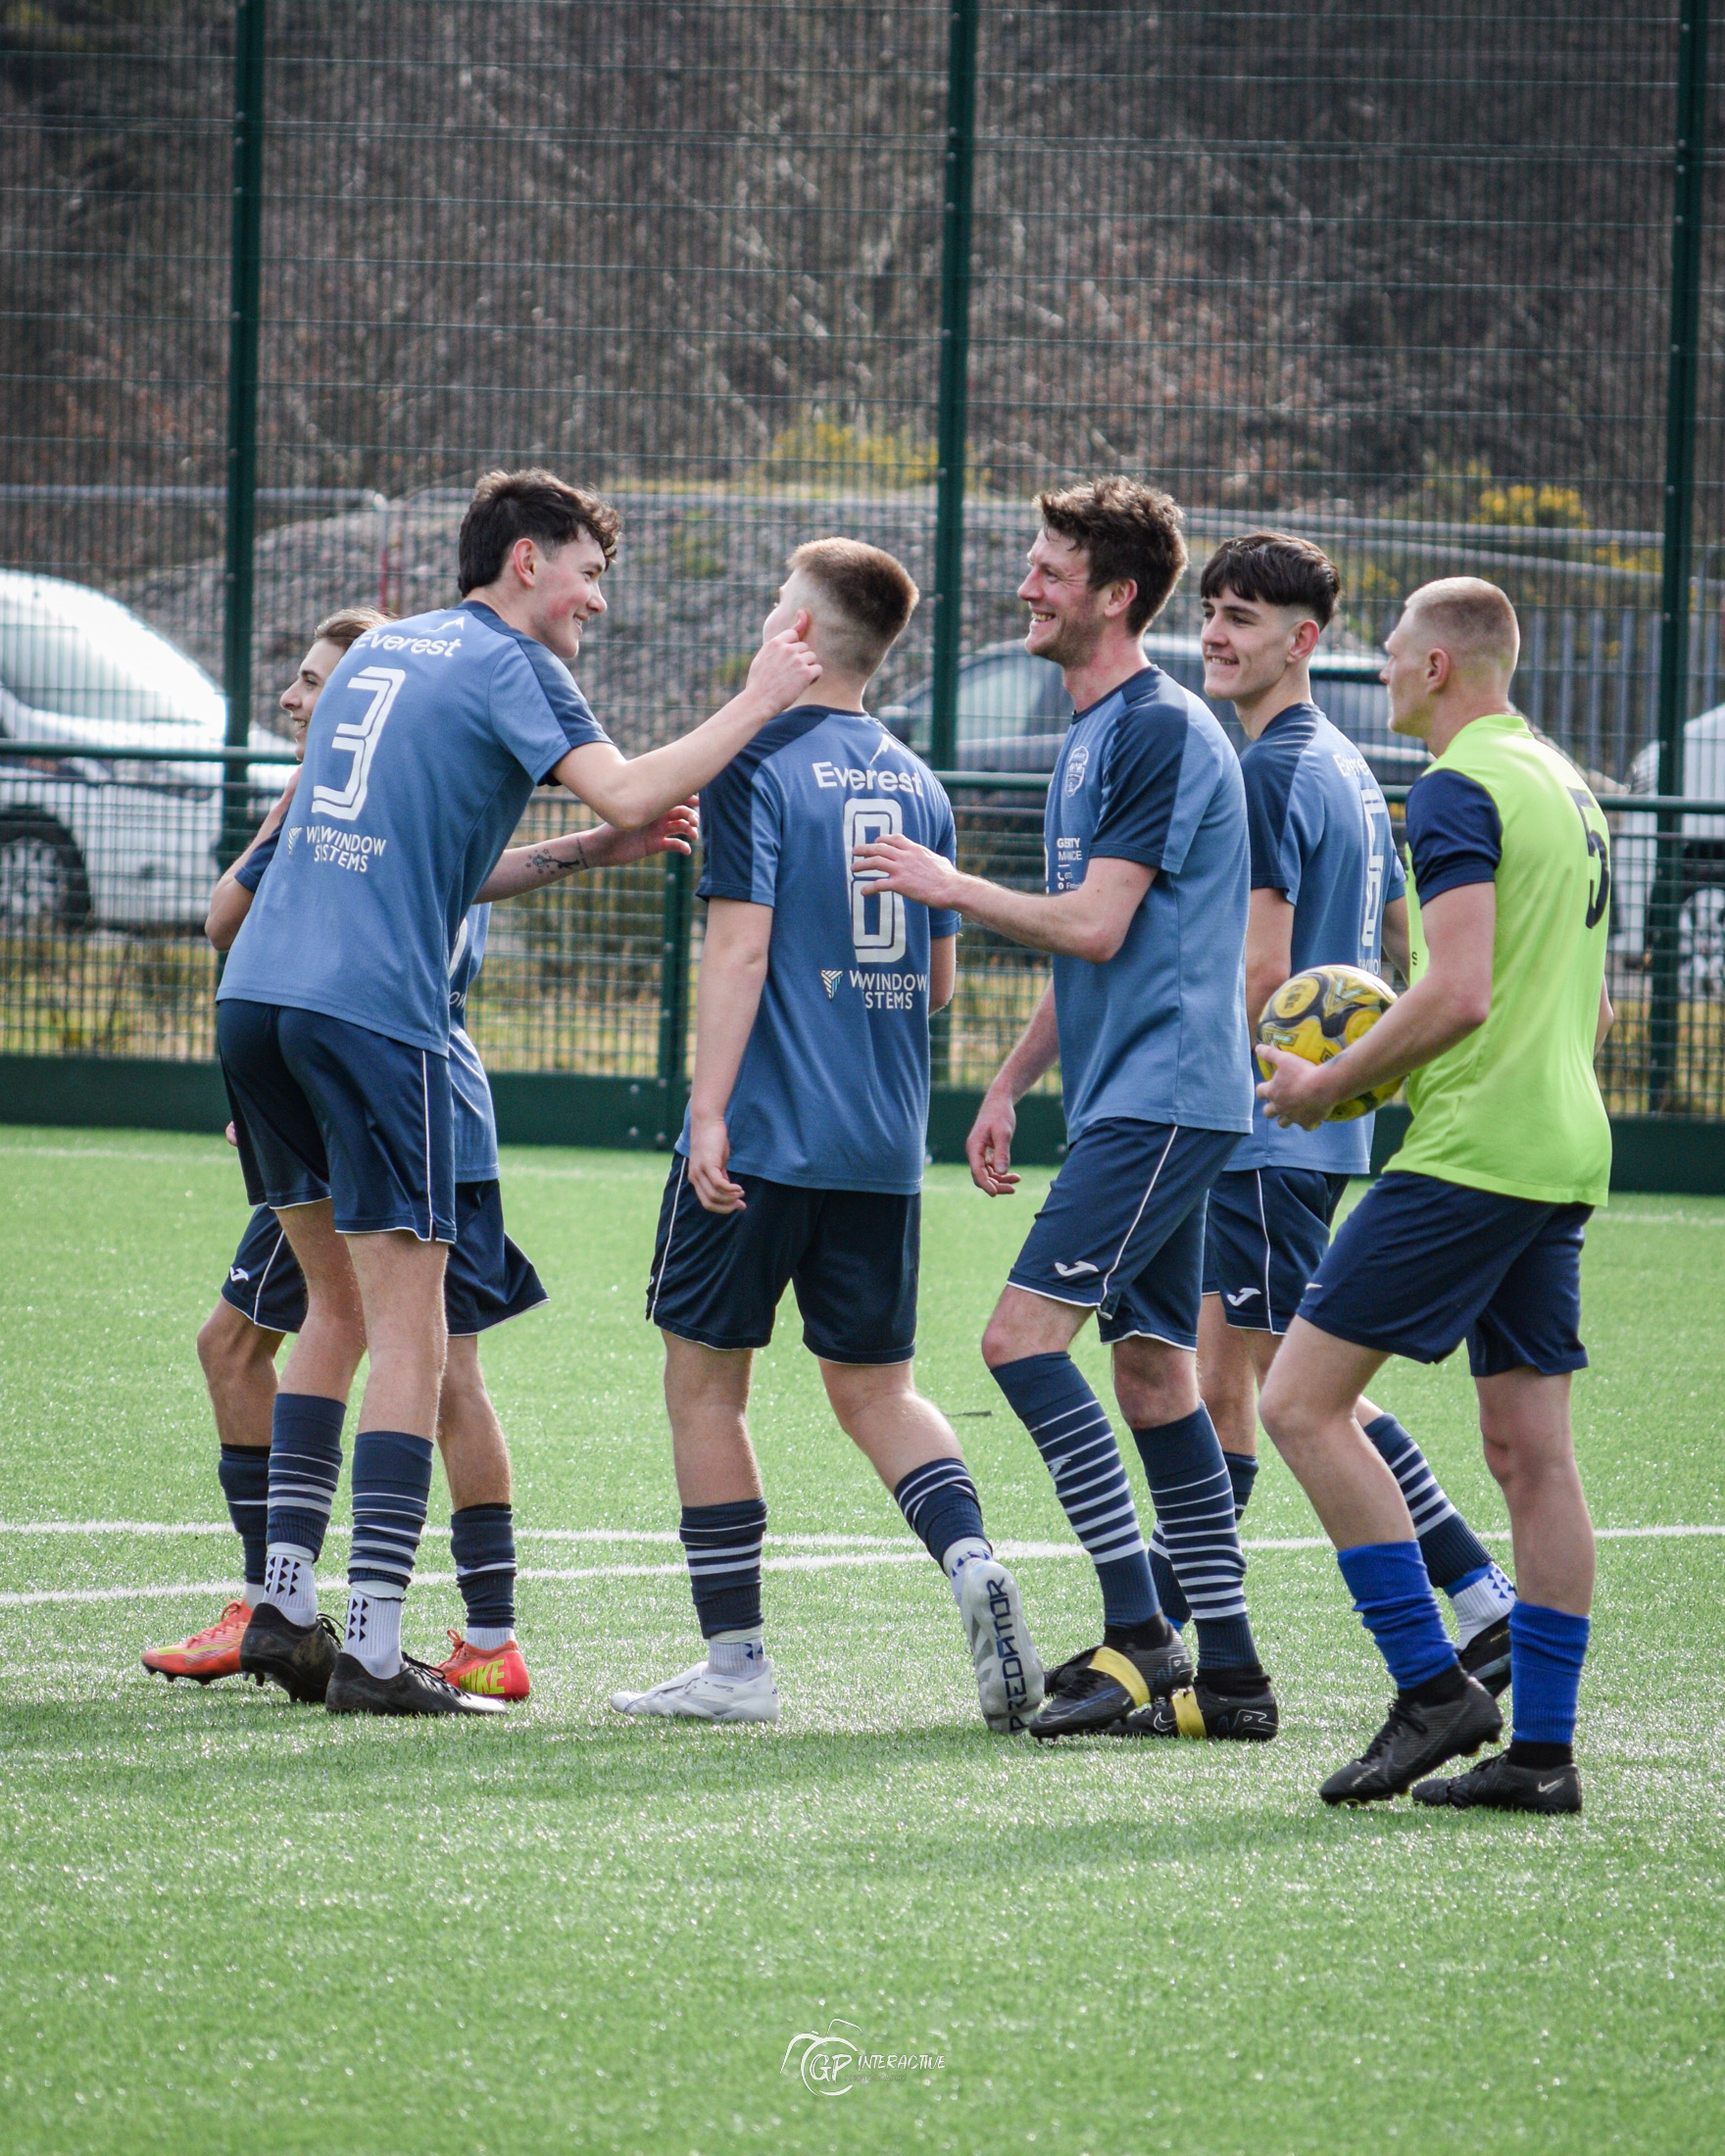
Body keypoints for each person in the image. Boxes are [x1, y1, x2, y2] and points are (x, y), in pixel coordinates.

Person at [215, 467, 820, 1718]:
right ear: (528, 561)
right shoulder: (512, 659)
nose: (596, 602)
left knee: (328, 1311)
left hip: (258, 1001)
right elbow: (635, 786)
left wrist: (579, 853)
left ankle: (284, 1607)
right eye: (591, 573)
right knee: (412, 1327)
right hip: (376, 1018)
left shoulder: (382, 659)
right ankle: (377, 1653)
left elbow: (407, 861)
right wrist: (758, 697)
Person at [143, 604, 692, 1700]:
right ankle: (304, 1605)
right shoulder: (368, 810)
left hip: (398, 1089)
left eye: (320, 680)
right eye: (302, 681)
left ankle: (368, 1616)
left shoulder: (380, 808)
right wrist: (589, 844)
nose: (303, 699)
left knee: (413, 1361)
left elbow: (228, 920)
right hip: (359, 1078)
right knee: (339, 1347)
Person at [859, 476, 1271, 1742]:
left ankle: (1142, 1634)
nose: (1025, 586)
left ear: (1117, 596)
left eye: (1049, 570)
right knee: (1153, 1375)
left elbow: (1089, 924)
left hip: (1166, 1100)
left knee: (1018, 1345)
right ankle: (1237, 1677)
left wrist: (944, 884)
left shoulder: (1151, 726)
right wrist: (1010, 1080)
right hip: (1130, 1099)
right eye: (1031, 564)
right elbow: (1102, 940)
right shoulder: (1092, 726)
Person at [614, 539, 1043, 1732]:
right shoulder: (919, 783)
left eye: (771, 608)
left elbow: (740, 946)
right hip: (881, 1147)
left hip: (759, 1142)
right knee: (877, 1389)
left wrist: (707, 1108)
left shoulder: (755, 761)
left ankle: (736, 1665)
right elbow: (942, 980)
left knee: (705, 1388)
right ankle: (970, 1562)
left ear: (798, 633)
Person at [1129, 533, 1515, 1740]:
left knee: (1244, 1386)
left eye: (1240, 618)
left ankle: (1187, 1629)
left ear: (1303, 641)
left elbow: (1258, 971)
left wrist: (1238, 1063)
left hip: (1263, 1126)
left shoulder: (1261, 771)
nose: (1214, 637)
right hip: (1314, 1123)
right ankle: (1454, 1593)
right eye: (1209, 613)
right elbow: (1395, 939)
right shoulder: (1348, 765)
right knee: (1273, 1374)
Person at [1257, 576, 1612, 1812]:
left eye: (1396, 651)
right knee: (1530, 1454)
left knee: (1297, 1403)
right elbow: (1587, 996)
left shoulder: (1457, 784)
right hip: (1561, 1145)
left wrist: (1327, 1085)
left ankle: (1430, 1687)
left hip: (1473, 1151)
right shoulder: (1565, 784)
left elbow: (1455, 989)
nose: (1385, 667)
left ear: (1442, 668)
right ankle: (1541, 1758)